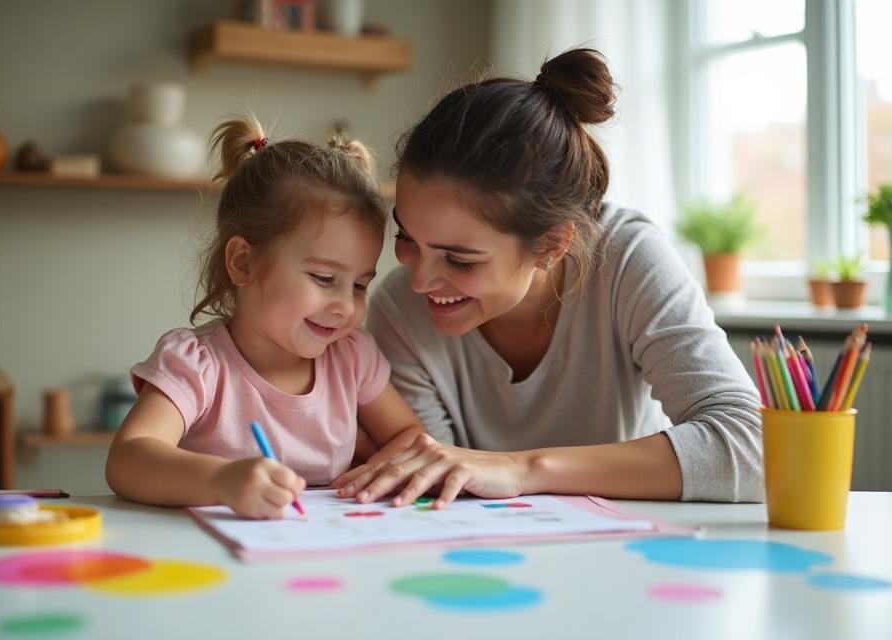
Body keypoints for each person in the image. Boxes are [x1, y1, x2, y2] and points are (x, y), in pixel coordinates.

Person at [332, 48, 762, 509]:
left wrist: (523, 469)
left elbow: (754, 450)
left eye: (460, 260)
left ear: (552, 245)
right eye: (408, 238)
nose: (420, 281)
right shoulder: (401, 310)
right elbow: (436, 485)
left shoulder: (627, 259)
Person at [106, 115, 424, 519]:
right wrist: (222, 482)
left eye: (359, 285)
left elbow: (409, 436)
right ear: (243, 262)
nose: (346, 305)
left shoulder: (351, 358)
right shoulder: (197, 364)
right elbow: (128, 458)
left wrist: (371, 474)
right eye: (325, 278)